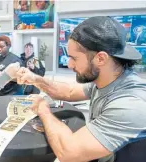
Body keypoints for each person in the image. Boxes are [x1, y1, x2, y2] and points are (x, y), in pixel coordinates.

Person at [17, 16, 146, 162]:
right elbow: (69, 91)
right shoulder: (106, 79)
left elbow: (69, 152)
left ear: (101, 59)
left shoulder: (129, 105)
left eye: (74, 58)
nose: (70, 65)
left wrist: (42, 109)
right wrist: (35, 79)